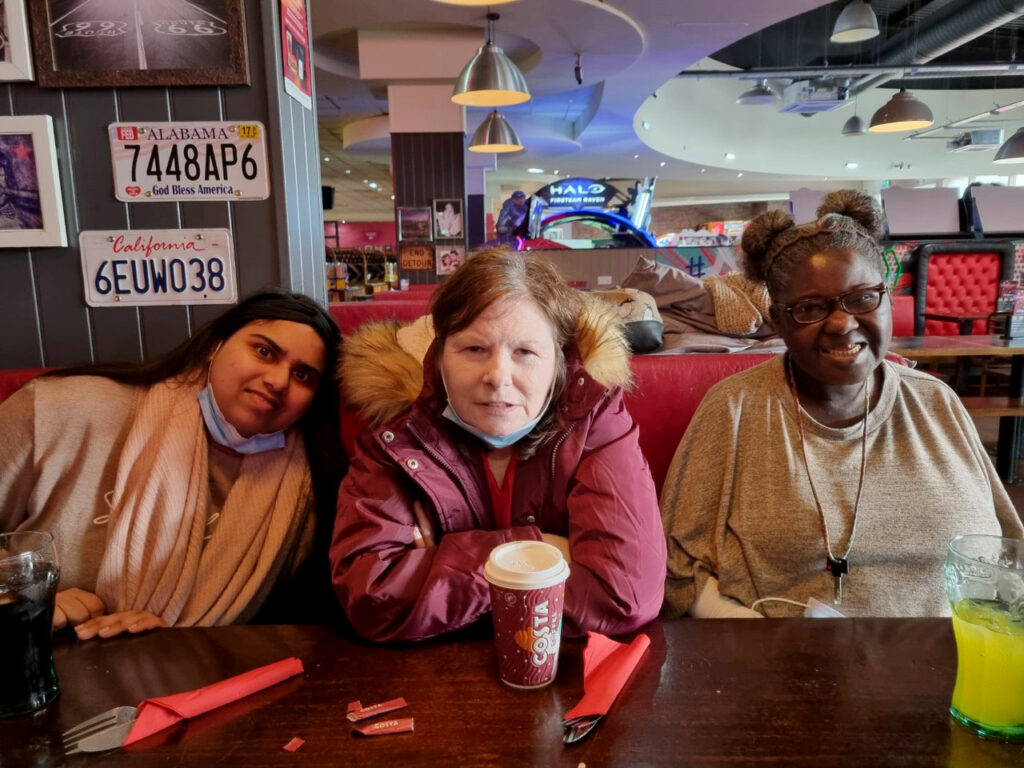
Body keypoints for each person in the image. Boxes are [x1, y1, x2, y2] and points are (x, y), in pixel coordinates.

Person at [660, 190, 1023, 619]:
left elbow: (1005, 556)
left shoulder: (936, 401)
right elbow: (677, 569)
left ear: (887, 299)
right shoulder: (733, 408)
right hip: (788, 656)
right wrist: (764, 640)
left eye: (863, 297)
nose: (842, 323)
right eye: (810, 308)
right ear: (778, 321)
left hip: (954, 651)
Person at [331, 249, 665, 642]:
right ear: (439, 358)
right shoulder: (397, 435)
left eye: (525, 352)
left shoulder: (597, 419)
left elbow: (625, 595)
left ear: (557, 364)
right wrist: (543, 549)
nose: (497, 376)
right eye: (474, 349)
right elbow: (371, 594)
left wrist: (442, 563)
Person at [0, 289, 345, 638]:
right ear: (215, 346)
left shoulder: (308, 491)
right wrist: (24, 599)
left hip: (196, 665)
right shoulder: (58, 409)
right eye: (264, 351)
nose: (278, 381)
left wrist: (168, 639)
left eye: (303, 375)